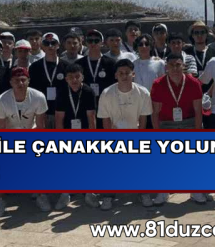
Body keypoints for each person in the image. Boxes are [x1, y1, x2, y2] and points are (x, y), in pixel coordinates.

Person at [97, 59, 153, 209]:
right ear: (116, 75)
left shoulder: (143, 92)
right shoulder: (107, 93)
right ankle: (108, 195)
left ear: (133, 74)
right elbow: (105, 119)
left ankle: (143, 193)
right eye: (120, 73)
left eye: (127, 73)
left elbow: (143, 119)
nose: (124, 76)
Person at [150, 53, 206, 204]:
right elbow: (155, 112)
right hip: (167, 124)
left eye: (178, 65)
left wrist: (198, 133)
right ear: (166, 67)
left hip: (189, 123)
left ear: (183, 66)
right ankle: (163, 192)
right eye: (171, 65)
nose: (175, 68)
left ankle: (196, 191)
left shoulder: (194, 83)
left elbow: (198, 111)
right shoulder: (158, 84)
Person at [0, 67, 48, 215]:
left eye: (23, 80)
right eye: (16, 80)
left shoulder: (38, 97)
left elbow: (40, 126)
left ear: (29, 81)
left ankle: (41, 195)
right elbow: (1, 129)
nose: (20, 83)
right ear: (11, 82)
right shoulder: (2, 100)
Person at [54, 63, 98, 209]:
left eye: (77, 76)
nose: (74, 80)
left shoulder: (88, 91)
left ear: (82, 77)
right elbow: (59, 118)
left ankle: (89, 193)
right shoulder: (62, 92)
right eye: (71, 77)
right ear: (66, 79)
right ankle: (65, 193)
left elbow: (91, 117)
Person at [76, 29, 118, 129]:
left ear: (102, 43)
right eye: (90, 41)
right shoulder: (79, 64)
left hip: (106, 105)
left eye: (96, 41)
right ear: (86, 43)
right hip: (85, 105)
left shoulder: (111, 63)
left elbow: (116, 86)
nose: (93, 43)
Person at [29, 32, 67, 129]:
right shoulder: (35, 67)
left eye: (53, 43)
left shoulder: (66, 66)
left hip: (62, 111)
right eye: (46, 43)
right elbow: (31, 91)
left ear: (58, 45)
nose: (50, 46)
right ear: (42, 46)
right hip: (41, 112)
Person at [185, 21, 215, 92]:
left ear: (207, 34)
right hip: (191, 92)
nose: (199, 35)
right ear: (192, 35)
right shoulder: (186, 53)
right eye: (196, 33)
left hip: (210, 94)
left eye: (202, 32)